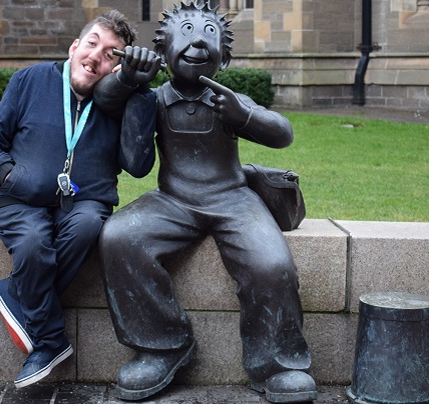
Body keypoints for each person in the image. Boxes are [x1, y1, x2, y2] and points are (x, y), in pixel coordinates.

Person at [93, 1, 319, 403]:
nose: (198, 39)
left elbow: (282, 133)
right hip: (173, 201)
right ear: (162, 51)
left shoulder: (228, 100)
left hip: (234, 201)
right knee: (119, 237)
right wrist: (131, 84)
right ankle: (162, 346)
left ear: (224, 59)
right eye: (187, 31)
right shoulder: (155, 98)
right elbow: (124, 141)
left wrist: (242, 116)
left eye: (210, 33)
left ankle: (278, 364)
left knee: (273, 265)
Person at [0, 10, 161, 389]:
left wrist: (138, 91)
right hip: (20, 200)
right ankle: (50, 341)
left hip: (86, 202)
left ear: (117, 67)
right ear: (75, 46)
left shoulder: (122, 100)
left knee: (90, 225)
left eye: (111, 54)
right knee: (33, 244)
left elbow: (138, 167)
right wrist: (11, 175)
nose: (97, 56)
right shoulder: (30, 80)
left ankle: (18, 294)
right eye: (92, 44)